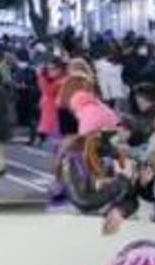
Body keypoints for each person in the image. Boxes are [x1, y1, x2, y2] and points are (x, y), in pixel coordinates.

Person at [48, 90, 138, 232]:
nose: (117, 134)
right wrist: (122, 180)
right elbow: (83, 200)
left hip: (104, 225)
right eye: (112, 129)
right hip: (70, 226)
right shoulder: (73, 158)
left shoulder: (117, 156)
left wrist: (121, 210)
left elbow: (131, 198)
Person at [35, 57, 67, 144]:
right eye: (49, 69)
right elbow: (45, 90)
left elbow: (48, 90)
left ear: (60, 69)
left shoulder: (62, 81)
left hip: (59, 113)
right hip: (50, 111)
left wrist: (41, 76)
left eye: (53, 69)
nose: (50, 71)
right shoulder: (51, 79)